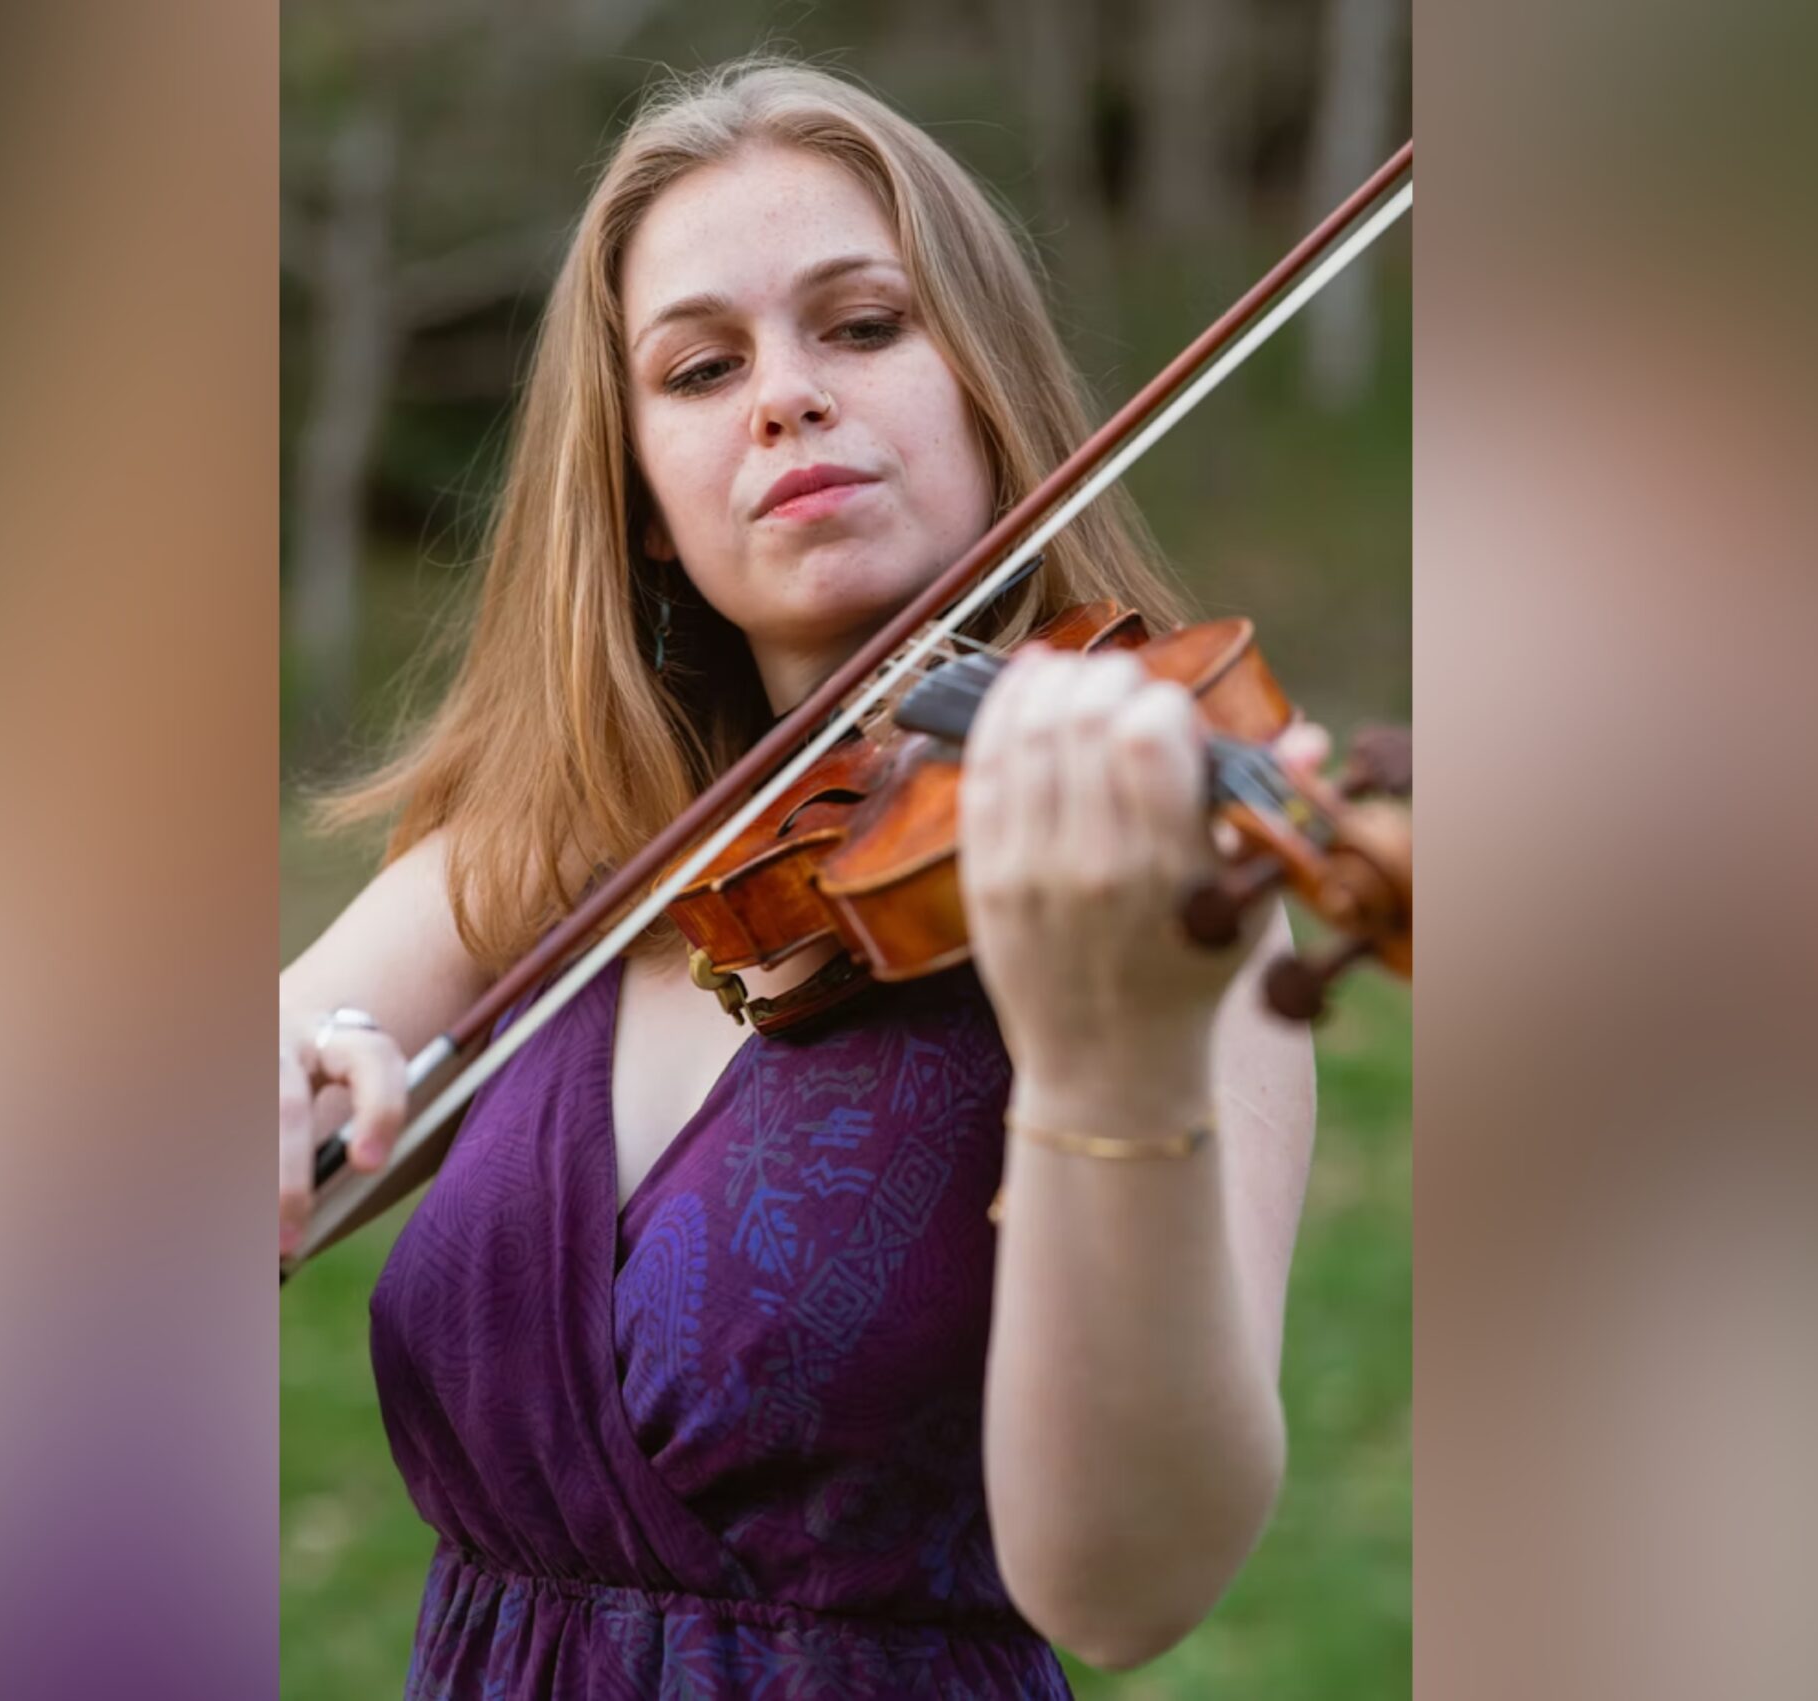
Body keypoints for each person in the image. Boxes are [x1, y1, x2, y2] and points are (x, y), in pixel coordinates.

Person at [279, 58, 1324, 1697]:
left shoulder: (1160, 876)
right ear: (636, 501)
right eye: (701, 367)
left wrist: (1110, 1042)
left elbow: (1127, 1584)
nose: (784, 395)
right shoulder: (562, 843)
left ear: (988, 385)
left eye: (861, 326)